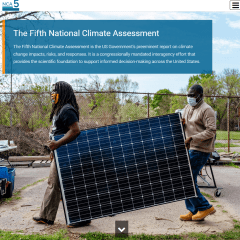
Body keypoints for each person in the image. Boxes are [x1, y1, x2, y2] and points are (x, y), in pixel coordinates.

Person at [33, 81, 91, 227]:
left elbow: (75, 130)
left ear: (63, 92)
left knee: (67, 185)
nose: (52, 94)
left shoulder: (67, 109)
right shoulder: (60, 109)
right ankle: (46, 216)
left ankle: (81, 218)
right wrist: (54, 149)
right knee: (54, 184)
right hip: (60, 152)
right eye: (51, 92)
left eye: (55, 91)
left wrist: (58, 144)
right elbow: (58, 132)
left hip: (67, 153)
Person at [180, 84, 216, 221]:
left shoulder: (207, 110)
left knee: (186, 179)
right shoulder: (187, 108)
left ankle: (205, 207)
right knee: (188, 179)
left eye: (193, 95)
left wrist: (193, 138)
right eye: (188, 95)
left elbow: (211, 131)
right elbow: (185, 125)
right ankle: (193, 210)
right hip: (190, 147)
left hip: (201, 149)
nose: (190, 98)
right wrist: (181, 123)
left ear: (200, 95)